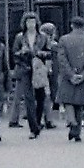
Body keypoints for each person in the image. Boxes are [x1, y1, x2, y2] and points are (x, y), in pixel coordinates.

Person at [56, 16, 84, 142]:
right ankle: (77, 132)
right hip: (83, 76)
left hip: (68, 76)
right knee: (79, 105)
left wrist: (70, 74)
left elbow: (62, 59)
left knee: (68, 100)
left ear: (71, 26)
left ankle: (72, 122)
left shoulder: (64, 40)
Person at [12, 12, 49, 140]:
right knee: (28, 99)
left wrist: (40, 54)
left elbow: (49, 52)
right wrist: (22, 53)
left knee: (41, 97)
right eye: (28, 22)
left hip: (38, 69)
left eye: (33, 22)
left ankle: (38, 122)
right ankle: (33, 128)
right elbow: (14, 55)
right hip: (25, 68)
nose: (31, 25)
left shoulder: (43, 37)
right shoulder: (19, 37)